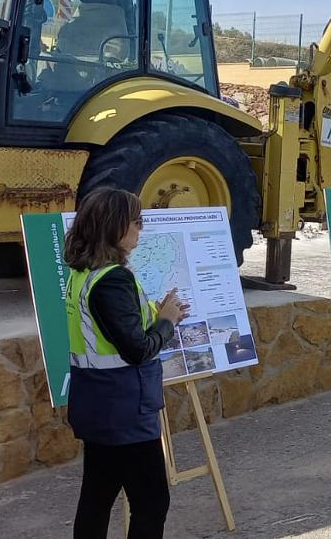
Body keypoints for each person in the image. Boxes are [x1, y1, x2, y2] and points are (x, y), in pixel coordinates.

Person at [64, 187, 189, 539]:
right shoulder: (113, 280)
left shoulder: (84, 273)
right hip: (125, 409)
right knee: (151, 503)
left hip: (96, 402)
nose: (140, 229)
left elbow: (114, 330)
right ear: (115, 226)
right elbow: (137, 349)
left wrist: (158, 315)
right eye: (137, 222)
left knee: (97, 497)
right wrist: (167, 323)